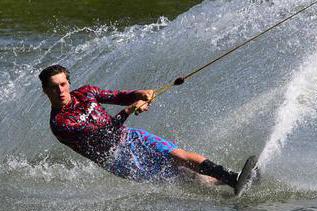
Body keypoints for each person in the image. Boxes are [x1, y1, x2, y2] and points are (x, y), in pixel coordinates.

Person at [39, 64, 240, 190]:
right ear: (45, 91)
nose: (60, 90)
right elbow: (105, 133)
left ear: (68, 83)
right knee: (185, 178)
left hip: (131, 136)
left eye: (63, 84)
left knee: (180, 156)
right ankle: (224, 184)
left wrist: (141, 94)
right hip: (116, 159)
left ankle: (232, 177)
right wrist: (129, 110)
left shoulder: (86, 93)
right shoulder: (60, 123)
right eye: (54, 87)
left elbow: (119, 97)